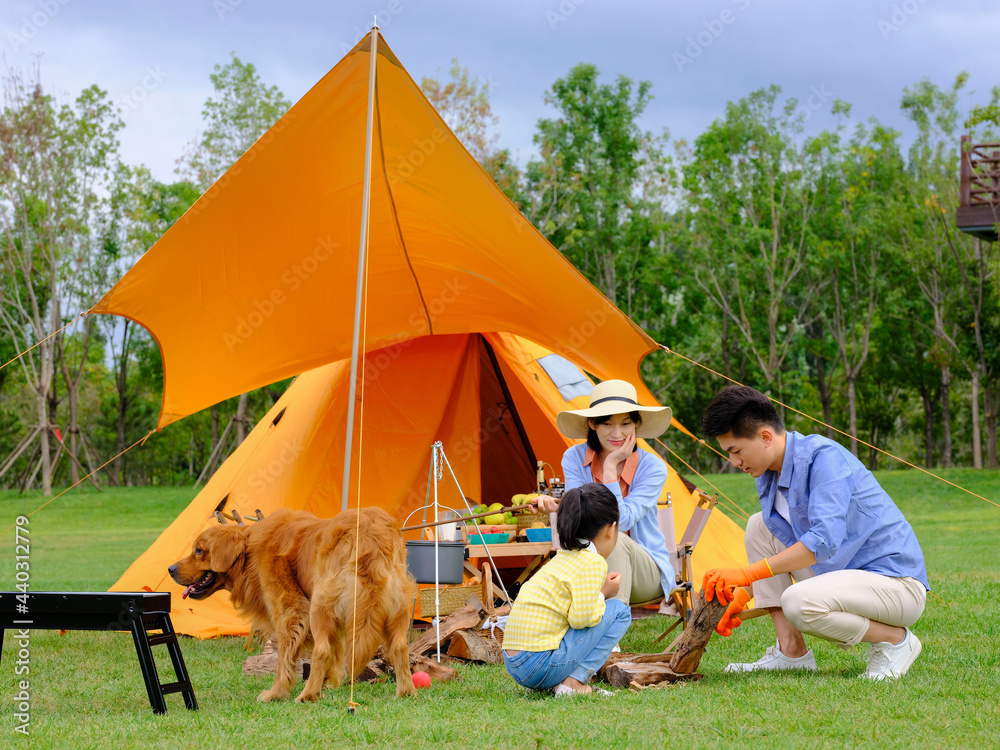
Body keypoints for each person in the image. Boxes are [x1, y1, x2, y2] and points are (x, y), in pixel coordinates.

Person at [700, 384, 930, 681]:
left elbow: (822, 542)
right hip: (843, 578)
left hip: (895, 585)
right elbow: (784, 548)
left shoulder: (823, 458)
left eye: (736, 451)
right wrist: (742, 596)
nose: (735, 462)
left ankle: (896, 640)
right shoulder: (768, 473)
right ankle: (791, 652)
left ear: (765, 437)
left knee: (797, 601)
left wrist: (746, 575)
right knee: (759, 526)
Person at [536, 379, 675, 607]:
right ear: (593, 424)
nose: (617, 433)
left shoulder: (653, 467)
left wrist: (610, 467)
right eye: (607, 424)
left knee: (612, 534)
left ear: (636, 425)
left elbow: (622, 519)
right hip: (587, 565)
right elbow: (578, 516)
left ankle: (610, 634)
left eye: (626, 423)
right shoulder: (574, 458)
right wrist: (563, 505)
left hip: (645, 572)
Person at [503, 483, 632, 697]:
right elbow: (580, 619)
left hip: (515, 663)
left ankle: (558, 682)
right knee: (619, 611)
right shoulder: (593, 562)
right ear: (611, 529)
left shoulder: (561, 557)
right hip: (537, 666)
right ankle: (573, 685)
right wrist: (604, 593)